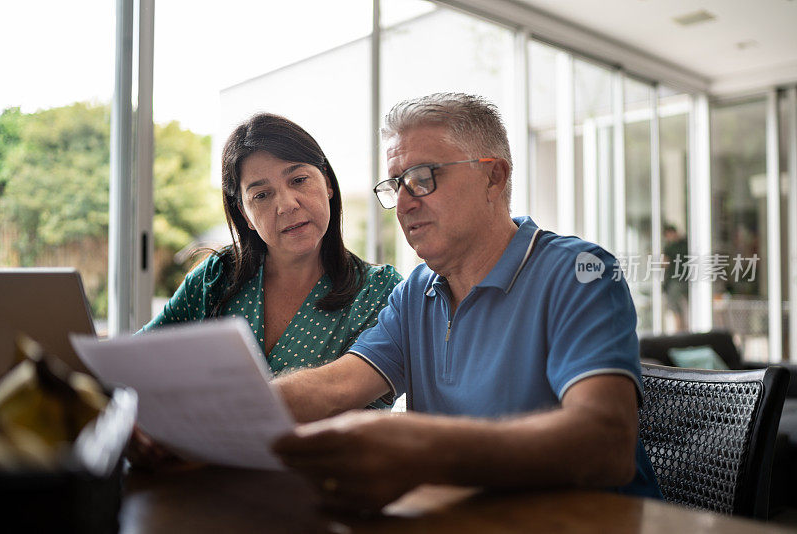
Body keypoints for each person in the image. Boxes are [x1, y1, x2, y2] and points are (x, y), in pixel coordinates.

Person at [271, 93, 661, 511]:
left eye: (423, 177)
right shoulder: (416, 290)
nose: (403, 203)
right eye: (396, 184)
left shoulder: (581, 272)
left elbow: (605, 443)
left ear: (493, 178)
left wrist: (423, 451)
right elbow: (336, 385)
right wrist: (229, 413)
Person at [142, 113, 402, 375]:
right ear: (245, 215)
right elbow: (137, 359)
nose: (287, 205)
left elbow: (363, 401)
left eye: (298, 180)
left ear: (328, 183)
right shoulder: (215, 278)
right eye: (262, 195)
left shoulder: (378, 292)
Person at [662, 224, 688, 331]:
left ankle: (679, 330)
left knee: (675, 308)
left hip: (676, 281)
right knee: (681, 307)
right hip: (686, 280)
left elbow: (665, 263)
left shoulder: (670, 247)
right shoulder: (686, 244)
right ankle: (683, 329)